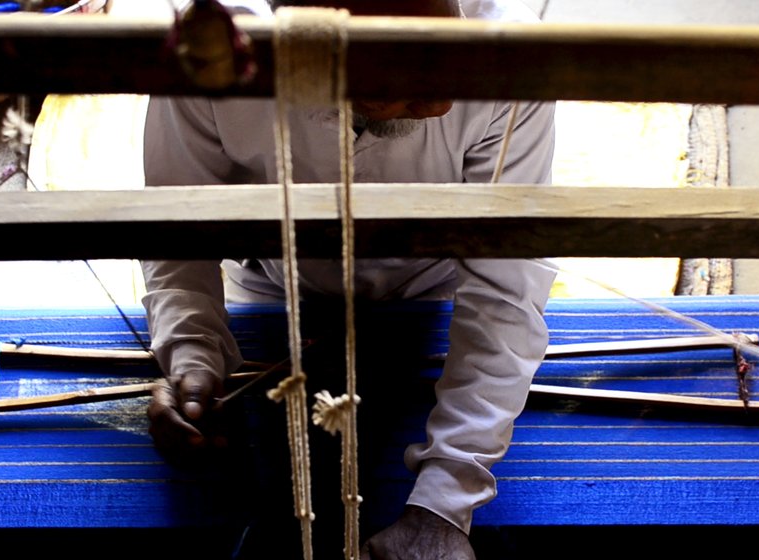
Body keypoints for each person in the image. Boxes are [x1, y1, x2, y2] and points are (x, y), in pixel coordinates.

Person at [141, 0, 556, 558]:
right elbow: (178, 225)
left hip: (431, 294)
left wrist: (444, 502)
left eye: (442, 60)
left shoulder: (507, 57)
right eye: (399, 82)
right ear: (306, 52)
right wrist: (193, 354)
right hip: (274, 290)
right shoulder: (216, 48)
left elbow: (506, 284)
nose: (441, 103)